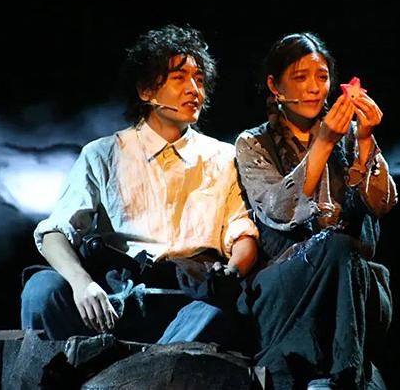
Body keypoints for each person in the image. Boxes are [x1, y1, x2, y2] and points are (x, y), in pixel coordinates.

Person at [21, 25, 258, 347]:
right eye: (179, 78)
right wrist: (82, 283)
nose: (194, 90)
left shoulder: (223, 157)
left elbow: (243, 235)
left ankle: (141, 367)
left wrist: (230, 273)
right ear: (146, 91)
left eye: (199, 80)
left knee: (216, 313)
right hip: (114, 299)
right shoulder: (103, 154)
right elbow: (54, 233)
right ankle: (115, 363)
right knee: (42, 290)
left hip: (187, 300)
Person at [235, 32, 398, 389]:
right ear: (274, 86)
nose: (313, 88)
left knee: (346, 253)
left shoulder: (351, 135)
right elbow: (278, 210)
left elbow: (383, 203)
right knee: (336, 246)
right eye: (300, 77)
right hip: (286, 283)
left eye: (322, 77)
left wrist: (365, 140)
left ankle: (343, 375)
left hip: (351, 281)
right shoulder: (253, 142)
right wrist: (323, 142)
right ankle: (344, 377)